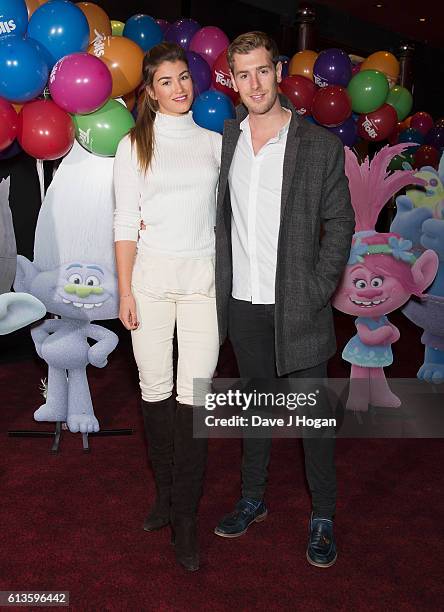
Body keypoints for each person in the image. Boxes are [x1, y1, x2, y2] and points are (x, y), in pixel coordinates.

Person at [213, 32, 354, 567]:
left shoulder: (318, 144)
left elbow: (340, 221)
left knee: (313, 419)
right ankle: (253, 497)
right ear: (234, 81)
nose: (255, 83)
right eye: (243, 74)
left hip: (300, 301)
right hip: (243, 301)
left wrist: (319, 287)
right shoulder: (226, 139)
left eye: (262, 71)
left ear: (278, 71)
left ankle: (322, 513)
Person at [113, 42, 221, 572]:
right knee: (154, 394)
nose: (180, 88)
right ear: (150, 93)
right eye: (166, 81)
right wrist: (126, 291)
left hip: (203, 285)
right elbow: (123, 225)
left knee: (194, 401)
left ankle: (185, 518)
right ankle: (166, 498)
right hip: (150, 286)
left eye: (184, 78)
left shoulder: (214, 144)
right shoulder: (134, 145)